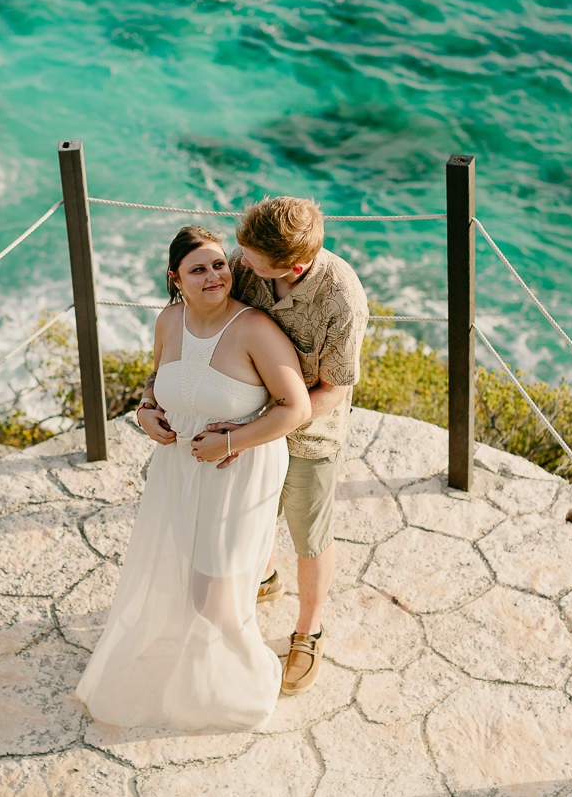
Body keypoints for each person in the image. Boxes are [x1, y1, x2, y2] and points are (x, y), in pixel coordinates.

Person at [75, 225, 311, 732]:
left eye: (220, 264)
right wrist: (143, 410)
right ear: (175, 279)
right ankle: (210, 663)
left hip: (239, 470)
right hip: (179, 468)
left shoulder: (254, 330)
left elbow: (297, 407)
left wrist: (228, 442)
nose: (214, 275)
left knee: (212, 592)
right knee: (187, 574)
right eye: (198, 269)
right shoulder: (168, 322)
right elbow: (158, 380)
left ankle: (251, 674)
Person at [206, 196, 368, 696]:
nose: (238, 263)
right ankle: (266, 578)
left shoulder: (342, 299)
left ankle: (308, 630)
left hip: (309, 435)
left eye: (249, 259)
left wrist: (267, 424)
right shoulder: (247, 259)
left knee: (308, 534)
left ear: (293, 266)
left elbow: (336, 388)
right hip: (247, 420)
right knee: (253, 512)